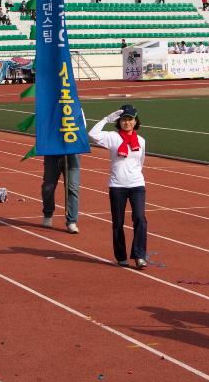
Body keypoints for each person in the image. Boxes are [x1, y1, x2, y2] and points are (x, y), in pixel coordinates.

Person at [89, 104, 148, 267]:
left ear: (136, 121)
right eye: (123, 120)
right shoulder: (113, 137)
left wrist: (133, 175)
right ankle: (121, 256)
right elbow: (92, 134)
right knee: (118, 222)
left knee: (140, 219)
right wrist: (106, 119)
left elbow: (140, 162)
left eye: (130, 119)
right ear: (119, 121)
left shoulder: (141, 141)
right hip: (117, 186)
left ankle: (139, 255)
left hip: (137, 185)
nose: (127, 122)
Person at [41, 152, 81, 234]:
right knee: (48, 188)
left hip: (72, 154)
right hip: (52, 152)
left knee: (72, 188)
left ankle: (71, 221)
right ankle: (48, 214)